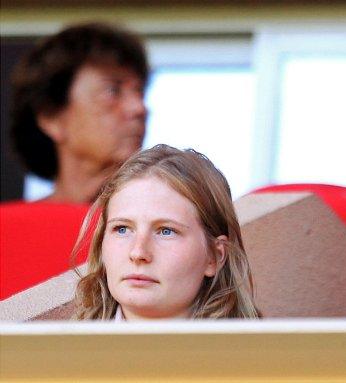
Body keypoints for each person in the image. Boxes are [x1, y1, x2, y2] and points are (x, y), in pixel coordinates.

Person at [73, 144, 258, 320]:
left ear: (214, 256)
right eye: (122, 229)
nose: (138, 253)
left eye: (166, 231)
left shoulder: (261, 353)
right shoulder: (64, 352)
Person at [10, 21, 148, 203]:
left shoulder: (174, 223)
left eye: (139, 91)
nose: (139, 108)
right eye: (113, 91)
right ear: (52, 118)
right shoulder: (11, 228)